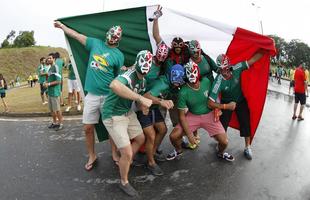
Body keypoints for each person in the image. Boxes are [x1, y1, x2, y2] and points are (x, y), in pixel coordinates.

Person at [54, 21, 124, 171]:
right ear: (107, 35)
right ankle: (92, 155)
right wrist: (62, 26)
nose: (112, 39)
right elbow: (76, 35)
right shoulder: (95, 43)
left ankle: (114, 153)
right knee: (87, 128)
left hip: (108, 96)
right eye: (111, 36)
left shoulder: (119, 55)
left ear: (118, 40)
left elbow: (118, 79)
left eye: (115, 38)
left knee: (111, 128)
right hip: (91, 95)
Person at [102, 50, 153, 197]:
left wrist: (142, 106)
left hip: (126, 112)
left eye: (148, 65)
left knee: (140, 138)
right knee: (127, 152)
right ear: (137, 62)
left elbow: (136, 101)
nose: (145, 67)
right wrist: (141, 99)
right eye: (143, 62)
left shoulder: (143, 81)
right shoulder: (129, 75)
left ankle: (126, 160)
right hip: (113, 114)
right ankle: (123, 182)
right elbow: (114, 85)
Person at [166, 61, 235, 161]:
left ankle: (220, 153)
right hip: (193, 115)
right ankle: (178, 150)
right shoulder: (183, 92)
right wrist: (189, 135)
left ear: (198, 73)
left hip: (209, 115)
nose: (192, 76)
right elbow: (181, 116)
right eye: (189, 73)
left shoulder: (206, 81)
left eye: (194, 72)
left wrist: (218, 108)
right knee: (173, 136)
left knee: (224, 142)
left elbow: (215, 96)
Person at [208, 50, 265, 160]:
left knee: (246, 122)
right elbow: (210, 103)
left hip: (240, 99)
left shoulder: (237, 67)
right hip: (226, 102)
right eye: (221, 69)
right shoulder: (218, 80)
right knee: (221, 129)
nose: (224, 72)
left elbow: (253, 60)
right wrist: (225, 106)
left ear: (230, 65)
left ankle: (247, 146)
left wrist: (266, 48)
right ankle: (220, 146)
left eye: (226, 68)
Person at [135, 43, 169, 176]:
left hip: (152, 103)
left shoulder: (162, 66)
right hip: (141, 101)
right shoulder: (148, 62)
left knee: (163, 129)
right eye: (158, 57)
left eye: (162, 58)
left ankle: (152, 153)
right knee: (151, 135)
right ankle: (150, 162)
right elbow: (136, 67)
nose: (159, 59)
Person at [44, 53, 64, 131]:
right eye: (48, 58)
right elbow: (50, 78)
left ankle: (60, 123)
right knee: (52, 109)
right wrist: (45, 82)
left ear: (54, 59)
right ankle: (55, 122)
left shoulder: (55, 67)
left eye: (50, 58)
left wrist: (48, 84)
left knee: (57, 109)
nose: (48, 59)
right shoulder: (50, 68)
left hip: (55, 92)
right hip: (50, 92)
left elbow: (58, 81)